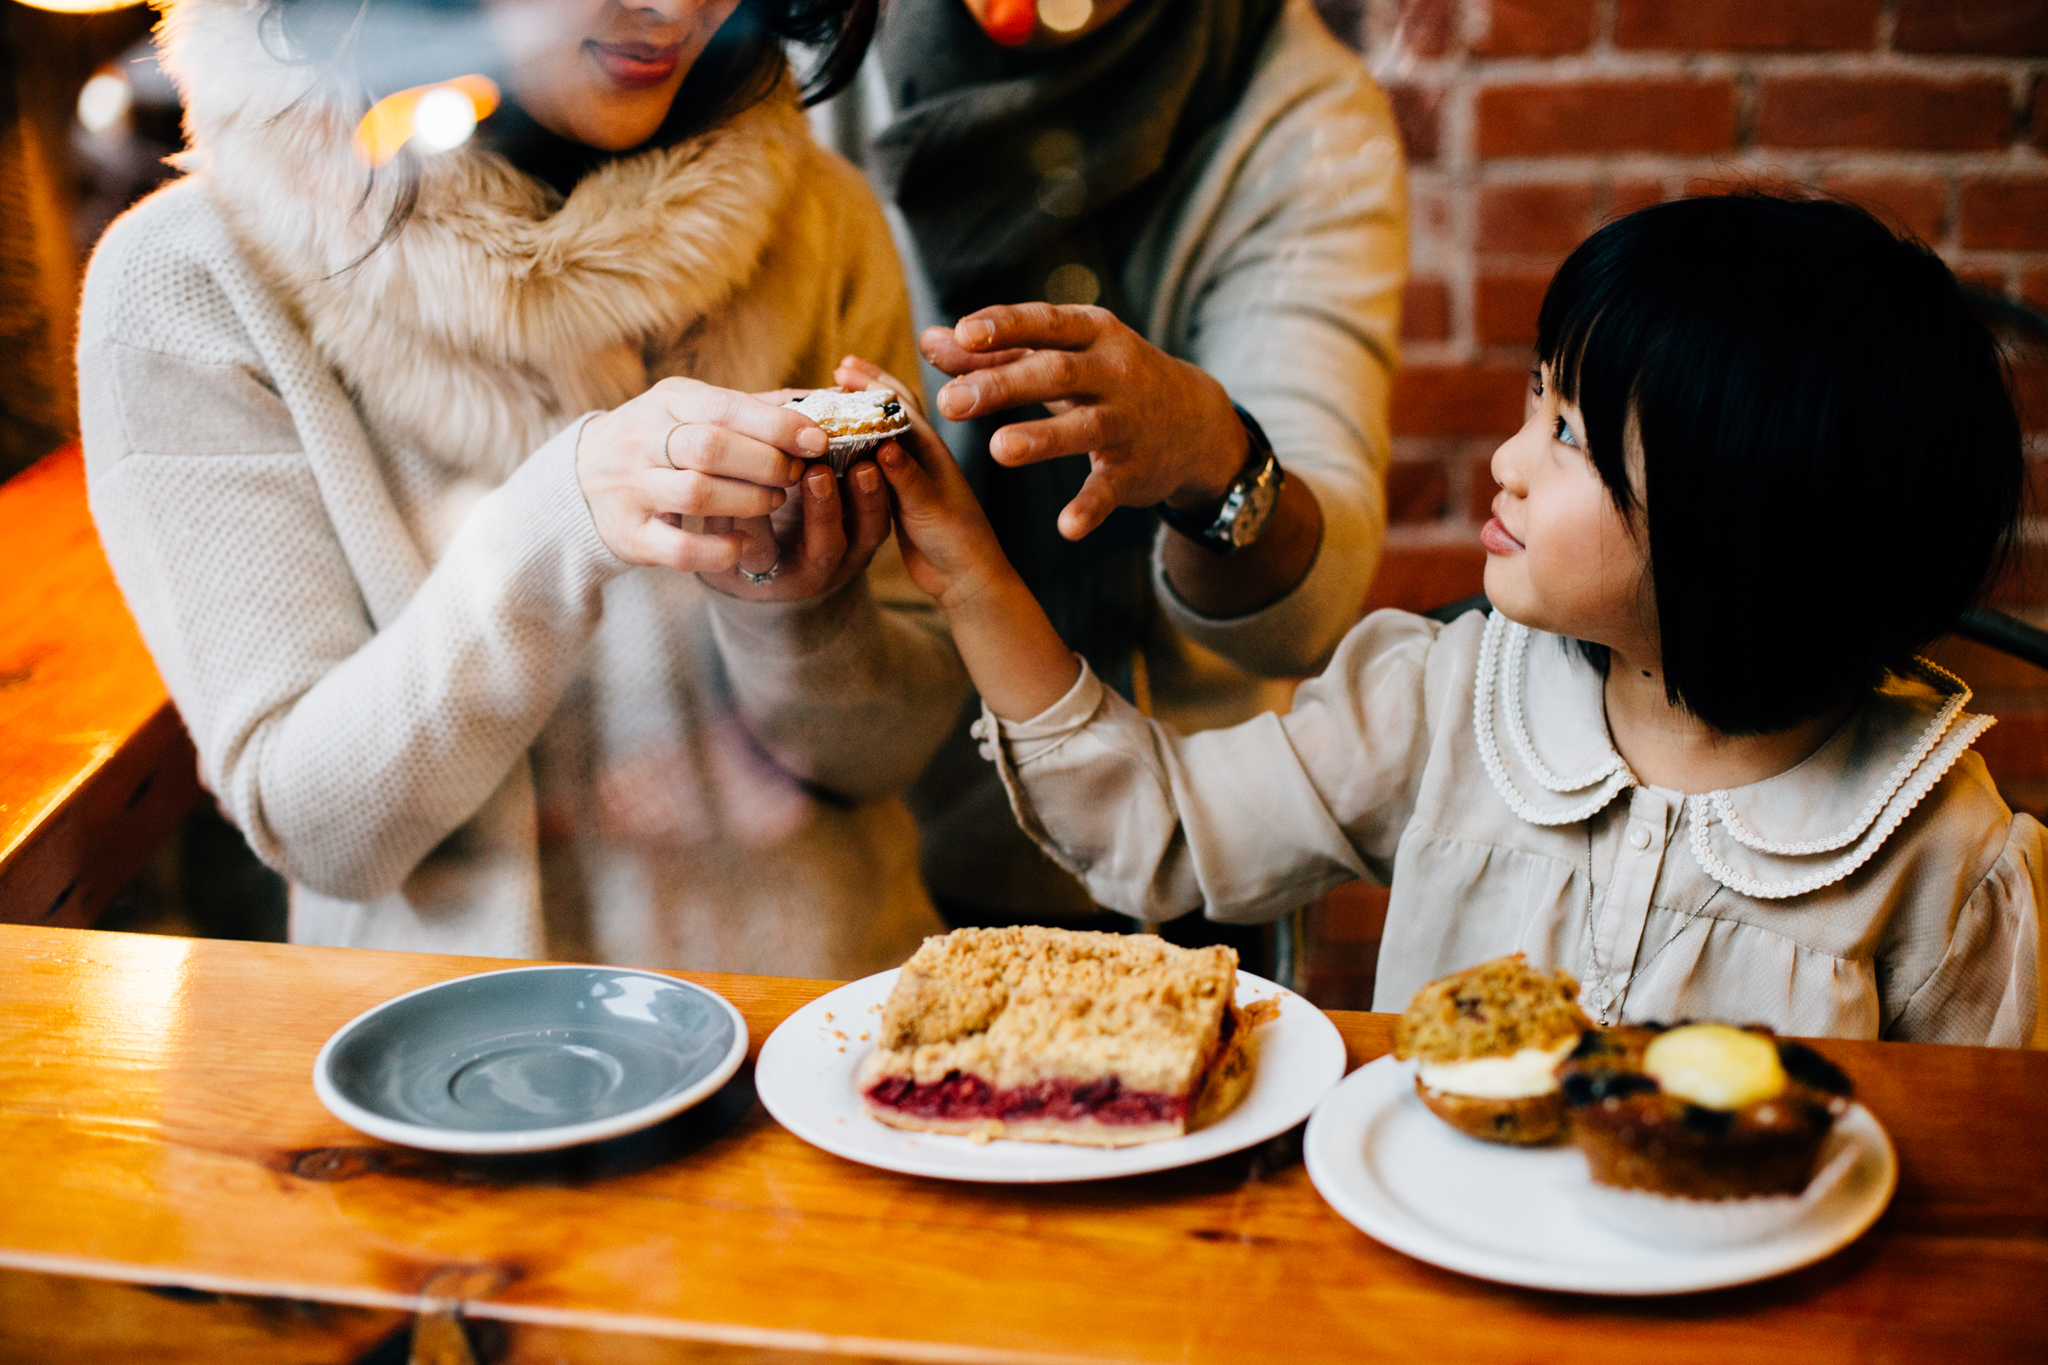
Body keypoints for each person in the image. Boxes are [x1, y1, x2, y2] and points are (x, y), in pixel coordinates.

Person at [866, 193, 2043, 1045]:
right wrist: (968, 567)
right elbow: (1148, 827)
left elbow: (1983, 1182)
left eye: (1568, 435)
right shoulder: (1443, 701)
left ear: (1748, 522)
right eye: (1534, 402)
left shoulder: (1938, 852)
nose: (1506, 461)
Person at [76, 0, 967, 975]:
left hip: (820, 1038)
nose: (675, 9)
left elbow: (889, 758)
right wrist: (562, 518)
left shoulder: (818, 218)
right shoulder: (189, 277)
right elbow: (323, 832)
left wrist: (800, 613)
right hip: (454, 1077)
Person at [811, 0, 1405, 941]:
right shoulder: (818, 55)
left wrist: (1212, 455)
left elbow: (1312, 604)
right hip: (872, 836)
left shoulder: (1297, 112)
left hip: (1178, 843)